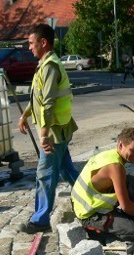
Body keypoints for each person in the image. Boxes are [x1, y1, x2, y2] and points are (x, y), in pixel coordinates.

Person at [17, 24, 79, 234]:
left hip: (53, 130)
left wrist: (43, 135)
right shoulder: (44, 65)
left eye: (32, 43)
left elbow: (49, 102)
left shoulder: (50, 66)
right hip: (57, 128)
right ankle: (90, 196)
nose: (29, 48)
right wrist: (25, 114)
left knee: (45, 174)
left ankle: (41, 218)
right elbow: (38, 96)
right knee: (66, 169)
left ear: (43, 43)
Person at [71, 128, 134, 242]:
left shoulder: (110, 154)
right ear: (121, 145)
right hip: (88, 213)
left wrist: (133, 211)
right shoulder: (116, 166)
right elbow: (125, 205)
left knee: (130, 180)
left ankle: (127, 218)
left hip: (83, 201)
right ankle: (96, 231)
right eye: (133, 150)